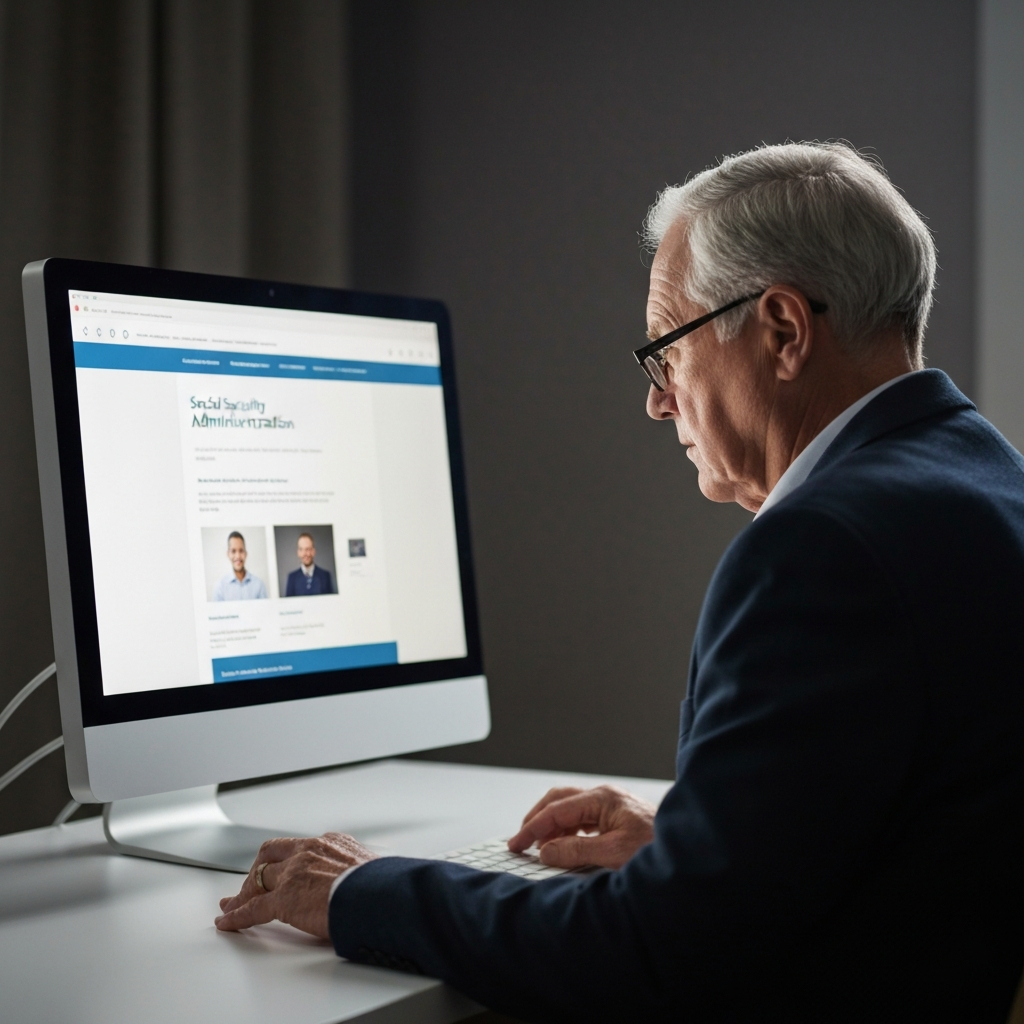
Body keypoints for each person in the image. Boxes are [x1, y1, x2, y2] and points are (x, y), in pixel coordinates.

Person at [214, 143, 1024, 1022]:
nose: (658, 401)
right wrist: (698, 847)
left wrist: (364, 891)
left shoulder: (821, 548)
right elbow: (925, 831)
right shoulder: (991, 483)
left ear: (783, 331)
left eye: (667, 353)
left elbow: (656, 957)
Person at [212, 531, 268, 601]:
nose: (238, 556)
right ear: (228, 554)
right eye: (233, 551)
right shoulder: (220, 587)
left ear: (246, 554)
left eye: (241, 551)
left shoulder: (259, 585)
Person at [284, 532, 335, 596]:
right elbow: (288, 604)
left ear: (313, 551)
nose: (305, 554)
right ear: (298, 553)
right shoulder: (292, 578)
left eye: (308, 549)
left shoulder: (325, 576)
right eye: (301, 549)